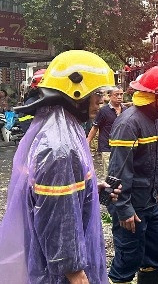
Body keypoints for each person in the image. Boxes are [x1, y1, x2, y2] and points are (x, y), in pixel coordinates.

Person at [0, 50, 116, 283]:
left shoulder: (57, 129)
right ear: (76, 92)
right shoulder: (60, 147)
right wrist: (73, 270)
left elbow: (50, 195)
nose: (101, 101)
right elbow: (57, 213)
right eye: (96, 94)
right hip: (59, 273)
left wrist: (92, 189)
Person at [107, 66, 158, 284]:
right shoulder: (129, 123)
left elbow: (155, 161)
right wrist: (124, 209)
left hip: (150, 201)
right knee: (128, 259)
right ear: (153, 96)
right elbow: (118, 173)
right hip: (132, 205)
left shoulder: (156, 120)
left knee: (153, 255)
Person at [87, 86, 125, 176]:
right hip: (106, 147)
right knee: (109, 172)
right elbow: (95, 127)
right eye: (116, 95)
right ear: (110, 96)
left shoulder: (125, 110)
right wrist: (87, 140)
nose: (119, 97)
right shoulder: (103, 111)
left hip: (121, 146)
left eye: (121, 94)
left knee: (121, 172)